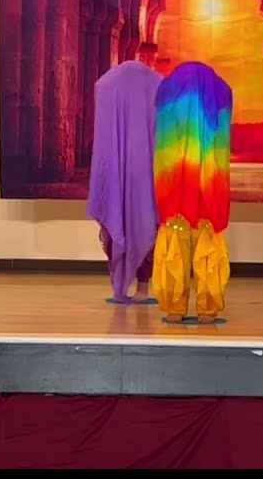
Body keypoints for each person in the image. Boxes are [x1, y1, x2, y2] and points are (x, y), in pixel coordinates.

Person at [152, 61, 233, 324]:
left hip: (174, 186)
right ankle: (207, 309)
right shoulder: (221, 91)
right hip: (210, 187)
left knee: (175, 241)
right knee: (207, 240)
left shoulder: (168, 90)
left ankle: (175, 308)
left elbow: (163, 142)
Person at [87, 60, 163, 304]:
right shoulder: (157, 84)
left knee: (116, 216)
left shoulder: (107, 84)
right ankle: (142, 289)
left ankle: (119, 286)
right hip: (148, 170)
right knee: (145, 221)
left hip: (116, 170)